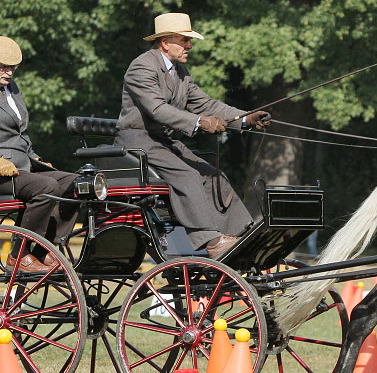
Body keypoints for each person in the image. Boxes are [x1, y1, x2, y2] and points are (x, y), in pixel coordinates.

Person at [115, 13, 270, 258]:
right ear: (165, 42)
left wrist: (244, 118)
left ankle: (241, 235)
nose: (189, 45)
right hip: (137, 141)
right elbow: (157, 109)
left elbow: (206, 104)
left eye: (189, 40)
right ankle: (210, 240)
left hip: (163, 143)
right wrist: (199, 122)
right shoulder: (142, 66)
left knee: (213, 175)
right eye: (184, 40)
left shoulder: (181, 72)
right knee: (187, 176)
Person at [0, 36, 78, 273]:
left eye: (12, 67)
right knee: (47, 187)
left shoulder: (12, 90)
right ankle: (19, 256)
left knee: (75, 183)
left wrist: (35, 158)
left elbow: (19, 136)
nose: (8, 72)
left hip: (22, 170)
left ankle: (44, 249)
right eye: (3, 66)